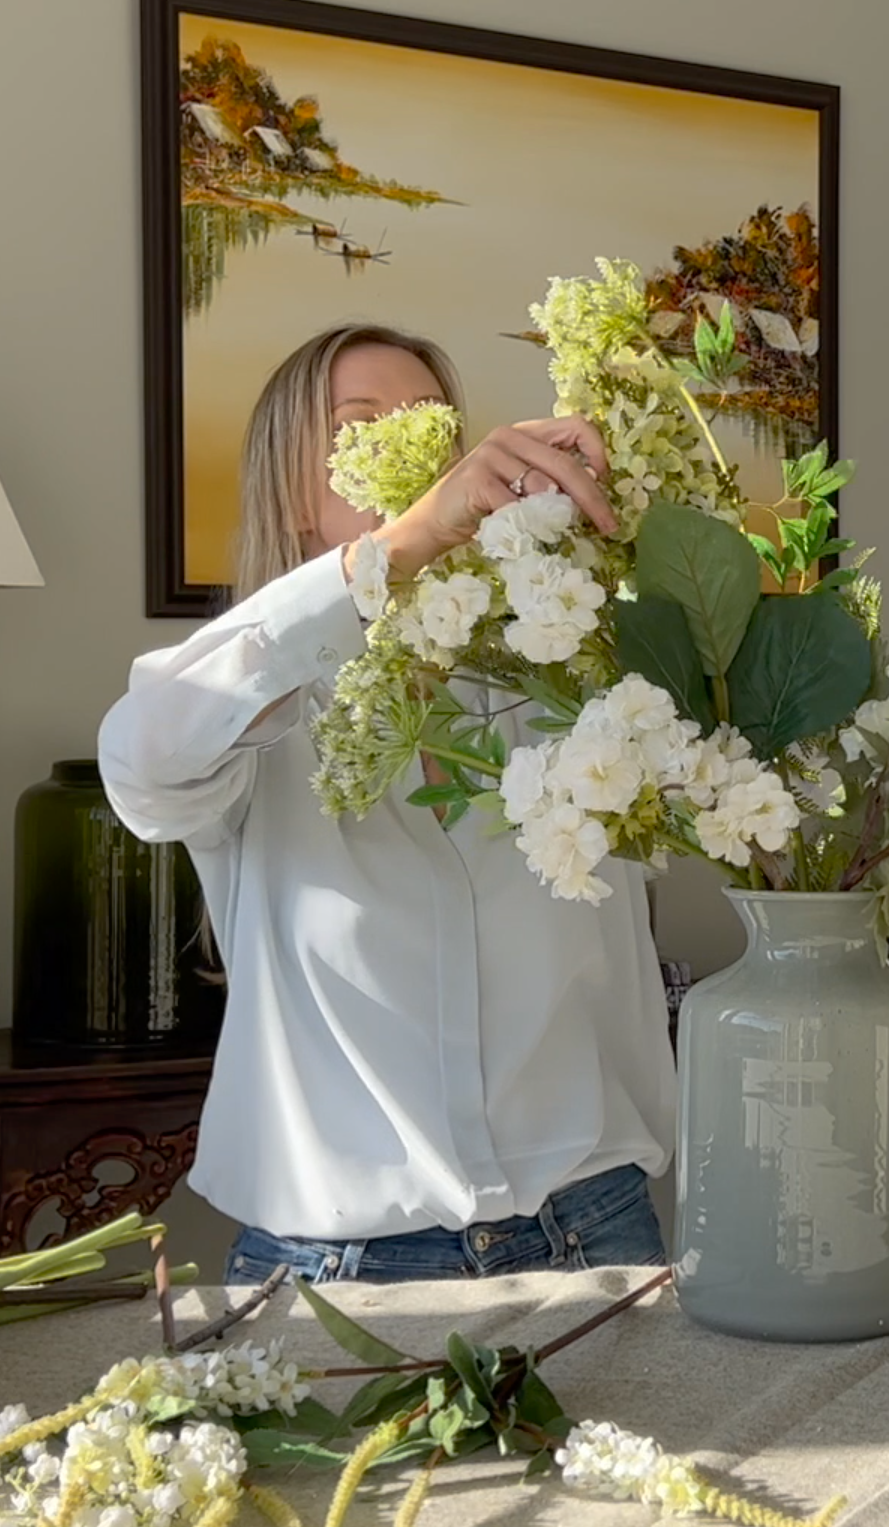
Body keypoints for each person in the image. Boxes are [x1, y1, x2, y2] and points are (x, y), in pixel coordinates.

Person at [99, 325, 676, 1285]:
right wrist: (399, 546)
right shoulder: (257, 709)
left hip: (597, 1236)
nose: (416, 451)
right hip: (337, 1268)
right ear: (291, 490)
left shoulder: (564, 675)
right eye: (359, 425)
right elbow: (142, 765)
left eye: (434, 428)